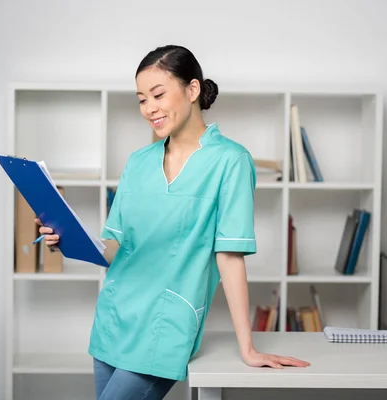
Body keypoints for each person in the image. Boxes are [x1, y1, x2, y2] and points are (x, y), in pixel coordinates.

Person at [36, 44, 310, 400]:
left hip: (165, 327)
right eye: (141, 99)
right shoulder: (138, 162)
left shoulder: (230, 161)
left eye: (158, 94)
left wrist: (248, 348)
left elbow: (229, 256)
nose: (149, 108)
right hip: (113, 320)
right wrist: (66, 239)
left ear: (192, 90)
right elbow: (115, 249)